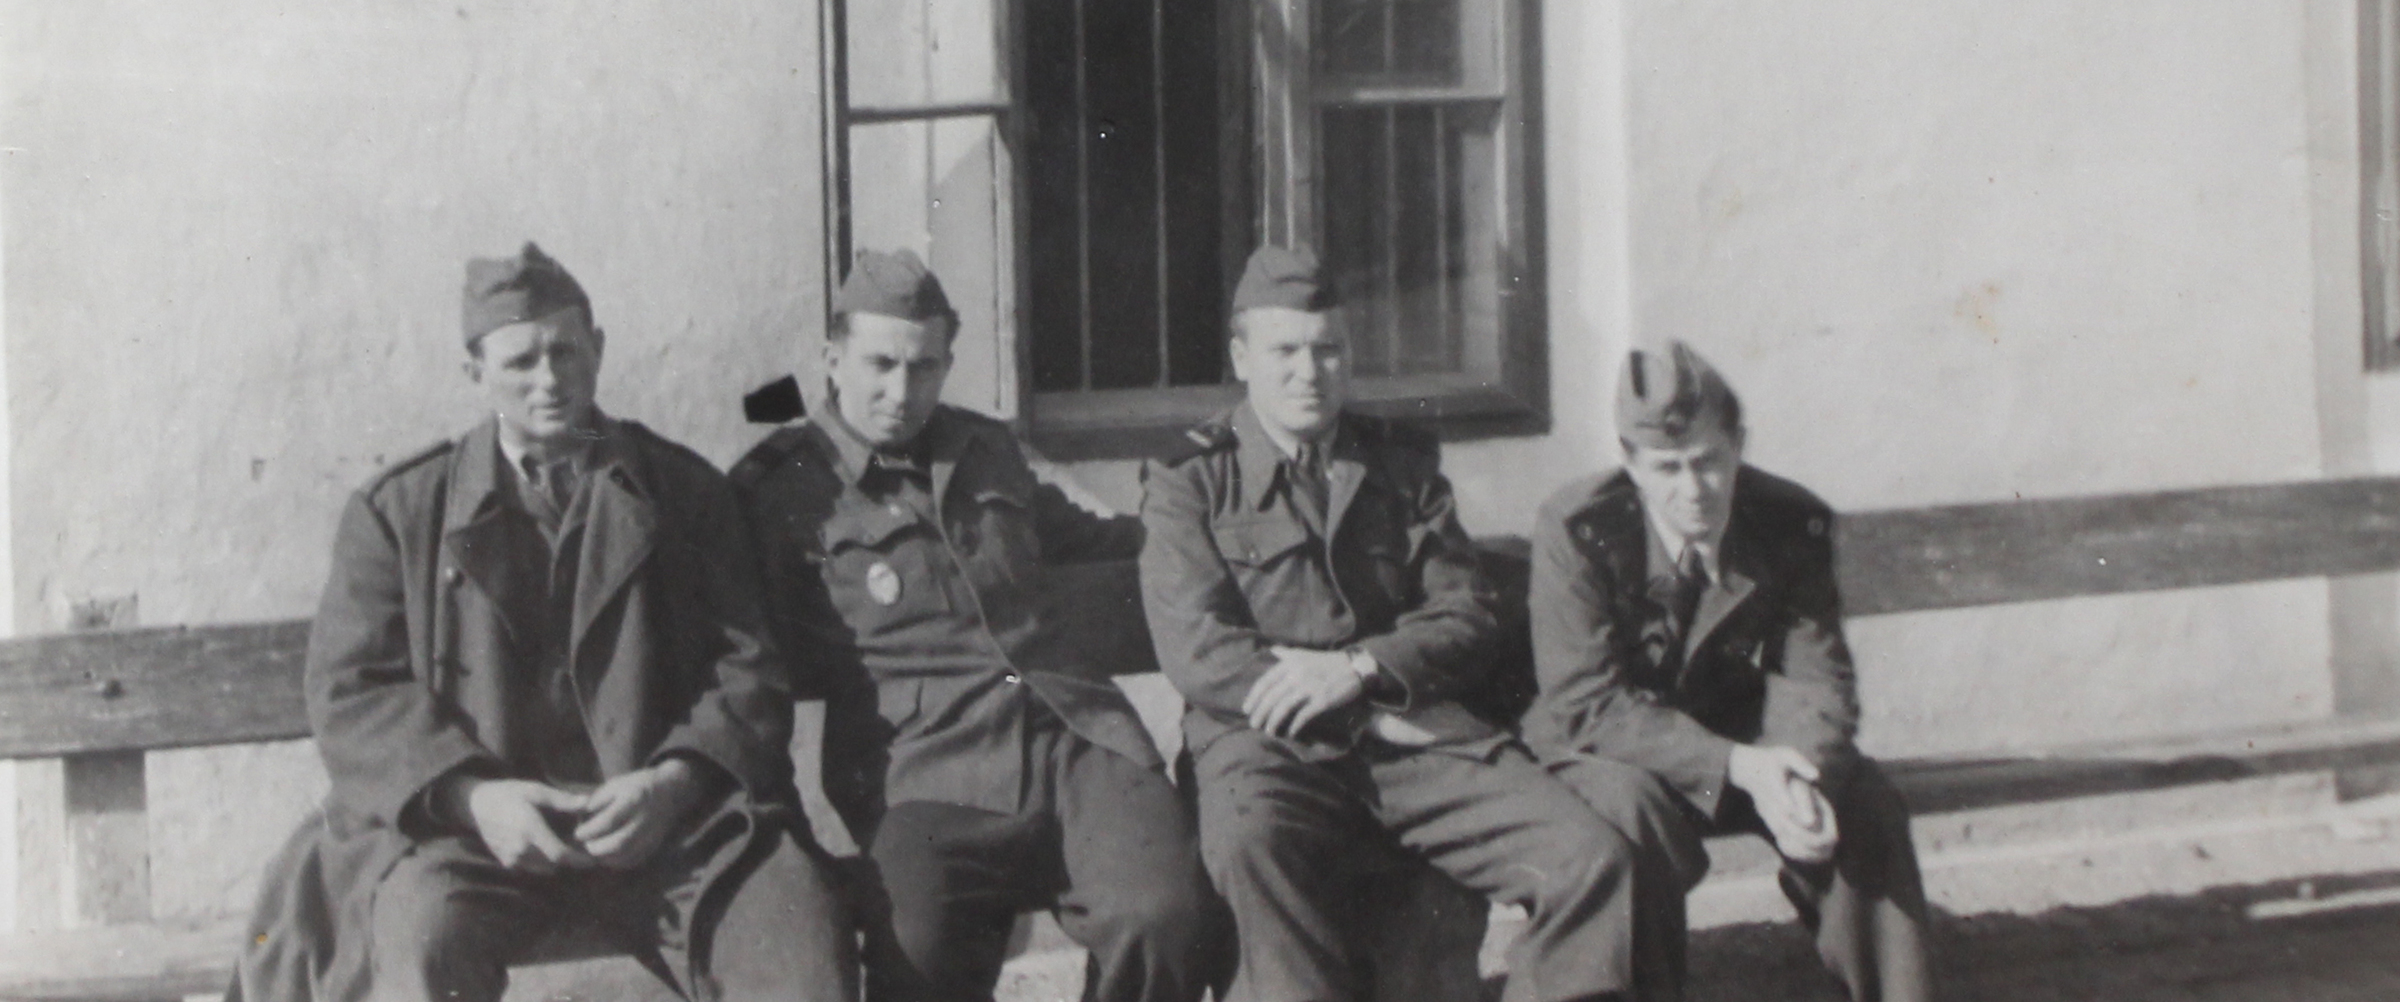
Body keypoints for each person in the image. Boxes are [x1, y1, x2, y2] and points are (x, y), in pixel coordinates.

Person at [231, 243, 856, 1002]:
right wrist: (473, 798)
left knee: (796, 935)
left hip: (671, 831)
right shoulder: (400, 514)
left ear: (599, 349)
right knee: (417, 945)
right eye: (521, 361)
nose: (550, 379)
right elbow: (352, 692)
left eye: (566, 352)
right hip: (470, 841)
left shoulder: (684, 492)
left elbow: (747, 667)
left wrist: (673, 782)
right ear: (475, 372)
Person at [1139, 245, 1645, 1002]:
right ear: (1242, 358)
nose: (1310, 372)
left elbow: (1467, 611)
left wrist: (1360, 670)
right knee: (1250, 845)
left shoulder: (1400, 463)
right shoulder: (1189, 480)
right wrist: (1361, 713)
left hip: (1416, 741)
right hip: (1267, 748)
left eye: (1328, 349)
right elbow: (1198, 649)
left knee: (1592, 859)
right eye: (1285, 351)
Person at [729, 249, 1220, 1002]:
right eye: (881, 364)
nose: (902, 391)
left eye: (924, 366)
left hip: (1075, 735)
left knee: (1164, 916)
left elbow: (1092, 539)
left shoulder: (986, 451)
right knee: (915, 957)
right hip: (922, 767)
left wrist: (1207, 531)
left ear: (947, 364)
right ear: (832, 359)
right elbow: (727, 637)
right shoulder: (780, 489)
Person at [1525, 341, 1936, 1002]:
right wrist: (1741, 766)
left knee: (1865, 805)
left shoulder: (1787, 521)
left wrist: (1801, 774)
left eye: (1710, 461)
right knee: (1629, 817)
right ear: (1630, 461)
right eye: (1667, 467)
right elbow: (1587, 701)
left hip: (1735, 738)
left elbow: (1817, 677)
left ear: (1739, 444)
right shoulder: (1578, 528)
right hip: (1608, 749)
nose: (1693, 490)